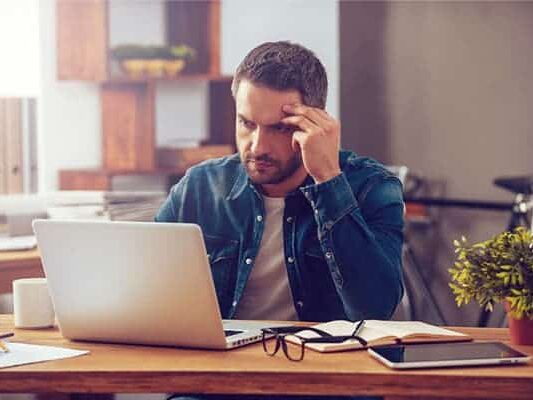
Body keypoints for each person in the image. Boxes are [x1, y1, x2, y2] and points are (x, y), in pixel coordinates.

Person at [156, 41, 404, 400]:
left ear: (315, 123)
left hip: (326, 386)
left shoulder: (372, 187)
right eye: (246, 123)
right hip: (218, 383)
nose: (257, 146)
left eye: (279, 128)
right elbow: (145, 292)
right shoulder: (200, 187)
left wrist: (329, 181)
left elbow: (375, 307)